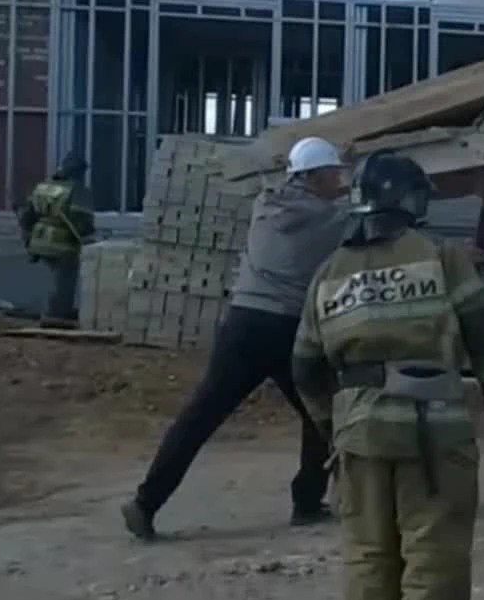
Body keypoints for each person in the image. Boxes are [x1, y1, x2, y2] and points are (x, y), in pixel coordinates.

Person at [290, 149, 484, 600]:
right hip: (432, 429)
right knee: (433, 546)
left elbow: (304, 364)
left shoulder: (328, 272)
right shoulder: (441, 256)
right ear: (410, 201)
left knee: (369, 551)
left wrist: (331, 425)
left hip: (359, 431)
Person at [121, 137, 352, 541]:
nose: (341, 179)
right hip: (285, 328)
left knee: (200, 417)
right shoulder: (324, 218)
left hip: (242, 323)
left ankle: (145, 504)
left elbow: (332, 200)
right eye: (335, 172)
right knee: (322, 413)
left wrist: (344, 178)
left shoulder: (269, 203)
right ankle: (307, 502)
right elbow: (366, 222)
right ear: (313, 177)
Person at [16, 154, 97, 326]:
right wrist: (90, 241)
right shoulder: (77, 190)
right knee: (66, 279)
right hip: (62, 242)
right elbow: (81, 219)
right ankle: (57, 315)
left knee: (55, 278)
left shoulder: (43, 186)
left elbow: (26, 216)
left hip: (40, 240)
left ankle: (52, 309)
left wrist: (29, 239)